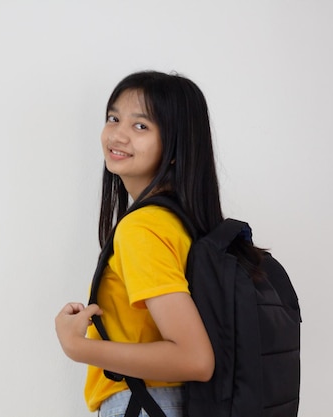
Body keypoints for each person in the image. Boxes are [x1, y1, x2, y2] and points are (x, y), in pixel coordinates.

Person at [55, 71, 264, 416]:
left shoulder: (142, 228)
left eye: (141, 126)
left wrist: (78, 347)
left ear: (174, 147)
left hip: (144, 404)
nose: (117, 134)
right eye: (113, 118)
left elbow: (194, 359)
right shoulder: (178, 222)